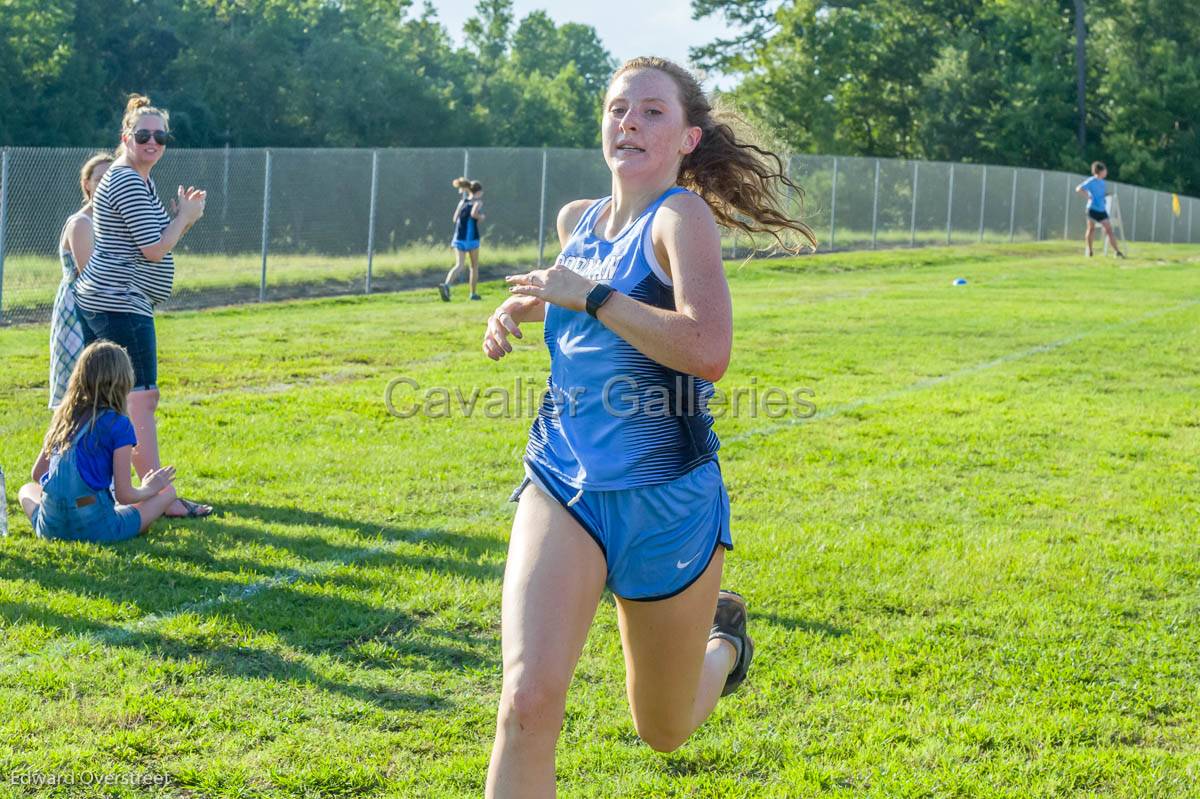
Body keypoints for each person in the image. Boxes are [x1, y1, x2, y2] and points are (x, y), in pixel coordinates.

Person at [480, 56, 815, 797]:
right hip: (563, 482)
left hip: (668, 500)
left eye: (652, 111)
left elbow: (708, 349)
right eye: (616, 107)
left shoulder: (679, 217)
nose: (628, 120)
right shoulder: (578, 221)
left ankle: (724, 643)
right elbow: (575, 288)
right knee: (527, 700)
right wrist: (521, 306)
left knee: (662, 729)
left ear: (688, 138)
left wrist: (589, 295)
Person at [72, 94, 212, 518]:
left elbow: (150, 240)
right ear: (125, 137)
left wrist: (178, 219)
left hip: (111, 299)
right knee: (141, 398)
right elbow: (154, 248)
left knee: (94, 397)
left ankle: (62, 477)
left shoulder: (138, 178)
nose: (153, 141)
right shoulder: (130, 178)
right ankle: (153, 496)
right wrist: (184, 218)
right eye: (143, 134)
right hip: (120, 303)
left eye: (161, 135)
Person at [18, 342, 179, 543]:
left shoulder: (64, 416)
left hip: (50, 526)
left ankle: (64, 516)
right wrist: (150, 487)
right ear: (123, 380)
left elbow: (37, 474)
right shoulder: (119, 424)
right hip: (97, 528)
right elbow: (125, 495)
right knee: (167, 492)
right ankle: (129, 522)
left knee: (26, 489)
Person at [49, 152, 114, 409]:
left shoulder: (109, 221)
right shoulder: (82, 223)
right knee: (77, 388)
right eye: (100, 178)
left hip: (100, 305)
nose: (106, 182)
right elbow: (90, 275)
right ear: (87, 183)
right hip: (79, 309)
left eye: (111, 177)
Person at [437, 178, 486, 302]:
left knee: (459, 265)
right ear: (478, 192)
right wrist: (481, 217)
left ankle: (447, 285)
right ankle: (473, 294)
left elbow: (455, 218)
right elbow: (474, 214)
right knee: (474, 266)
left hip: (459, 237)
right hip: (472, 239)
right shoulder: (478, 202)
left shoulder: (463, 202)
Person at [1076, 161, 1125, 258]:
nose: (1106, 172)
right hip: (1092, 209)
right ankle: (1090, 251)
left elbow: (1100, 195)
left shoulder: (1102, 182)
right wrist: (1088, 196)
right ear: (1100, 171)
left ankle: (1117, 252)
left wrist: (1107, 195)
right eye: (1105, 170)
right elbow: (1078, 188)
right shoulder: (1091, 181)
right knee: (1091, 229)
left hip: (1102, 210)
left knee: (1109, 230)